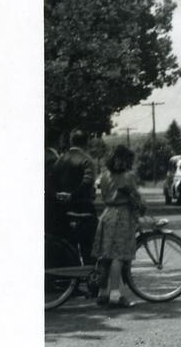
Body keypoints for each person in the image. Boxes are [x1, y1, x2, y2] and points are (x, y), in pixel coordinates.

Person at [92, 145, 146, 307]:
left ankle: (102, 293)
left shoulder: (104, 175)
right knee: (119, 257)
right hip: (122, 216)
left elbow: (104, 197)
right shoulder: (128, 176)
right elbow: (136, 198)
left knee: (105, 256)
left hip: (107, 214)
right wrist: (142, 208)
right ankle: (115, 296)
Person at [49, 130, 97, 263]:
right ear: (86, 142)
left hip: (63, 209)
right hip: (83, 208)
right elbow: (87, 182)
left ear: (71, 141)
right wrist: (72, 195)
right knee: (89, 245)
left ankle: (72, 276)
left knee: (68, 245)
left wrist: (57, 194)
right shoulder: (87, 160)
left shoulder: (60, 160)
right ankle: (90, 274)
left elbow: (50, 180)